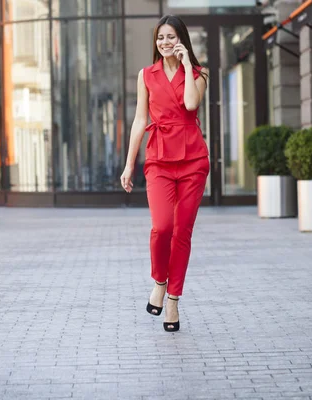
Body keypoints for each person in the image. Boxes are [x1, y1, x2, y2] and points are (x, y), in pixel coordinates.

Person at [120, 15, 210, 332]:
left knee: (182, 231)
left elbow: (189, 105)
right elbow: (139, 120)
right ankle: (159, 279)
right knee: (162, 227)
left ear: (181, 39)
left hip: (192, 160)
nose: (165, 43)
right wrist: (130, 163)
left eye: (170, 37)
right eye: (160, 38)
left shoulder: (199, 74)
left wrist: (185, 64)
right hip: (158, 158)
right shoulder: (146, 75)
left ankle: (172, 300)